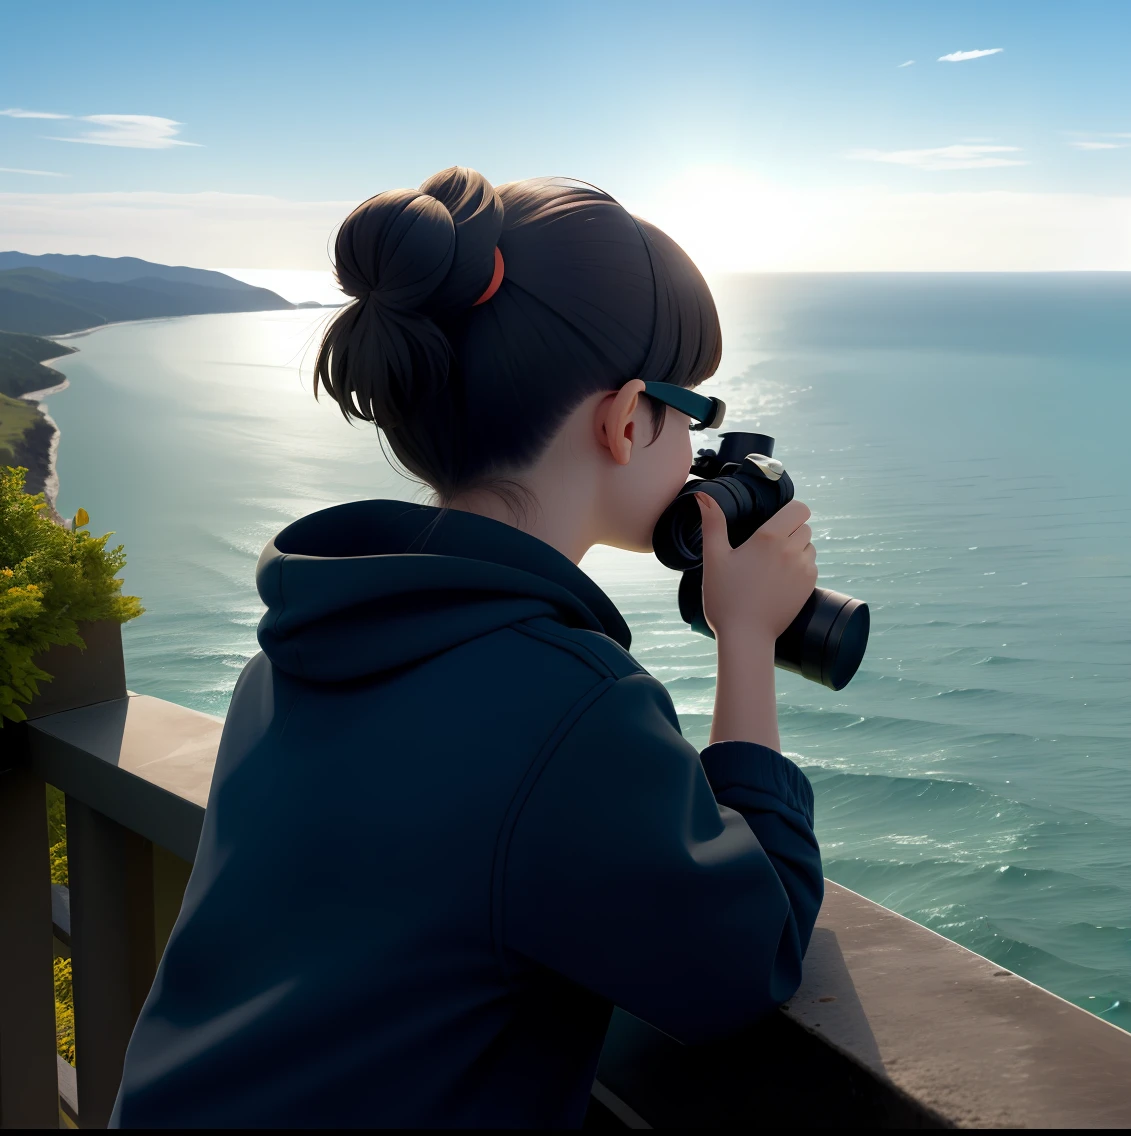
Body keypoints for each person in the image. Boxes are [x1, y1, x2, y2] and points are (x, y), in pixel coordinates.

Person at [111, 168, 823, 1127]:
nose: (698, 446)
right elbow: (749, 957)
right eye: (692, 410)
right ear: (625, 420)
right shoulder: (566, 707)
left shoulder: (292, 651)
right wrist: (745, 636)